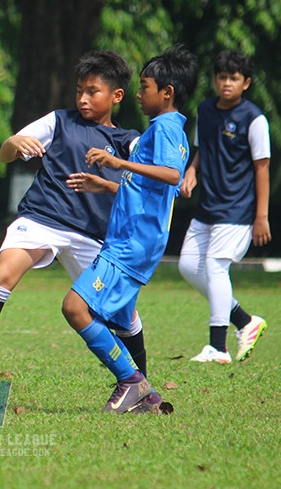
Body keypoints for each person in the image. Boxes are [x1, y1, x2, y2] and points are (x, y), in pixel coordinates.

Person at [0, 51, 142, 409]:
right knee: (3, 273)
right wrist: (13, 145)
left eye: (92, 91)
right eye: (79, 90)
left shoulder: (129, 141)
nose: (82, 98)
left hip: (93, 235)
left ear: (117, 96)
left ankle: (141, 384)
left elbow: (147, 189)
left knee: (123, 314)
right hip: (42, 218)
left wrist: (110, 185)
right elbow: (5, 152)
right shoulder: (59, 121)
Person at [62, 46, 198, 414]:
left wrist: (117, 160)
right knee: (120, 320)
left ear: (166, 93)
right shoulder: (164, 130)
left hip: (131, 245)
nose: (139, 94)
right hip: (130, 239)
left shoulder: (167, 129)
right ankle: (148, 397)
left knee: (75, 307)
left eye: (145, 86)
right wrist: (105, 185)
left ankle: (131, 381)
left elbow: (171, 176)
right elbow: (150, 191)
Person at [178, 50, 270, 364]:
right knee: (189, 266)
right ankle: (245, 321)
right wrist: (191, 171)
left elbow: (262, 168)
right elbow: (201, 148)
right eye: (222, 77)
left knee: (216, 267)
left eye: (234, 78)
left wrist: (261, 216)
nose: (226, 83)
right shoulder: (205, 110)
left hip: (237, 210)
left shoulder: (254, 118)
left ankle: (218, 348)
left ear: (246, 83)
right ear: (215, 80)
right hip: (208, 206)